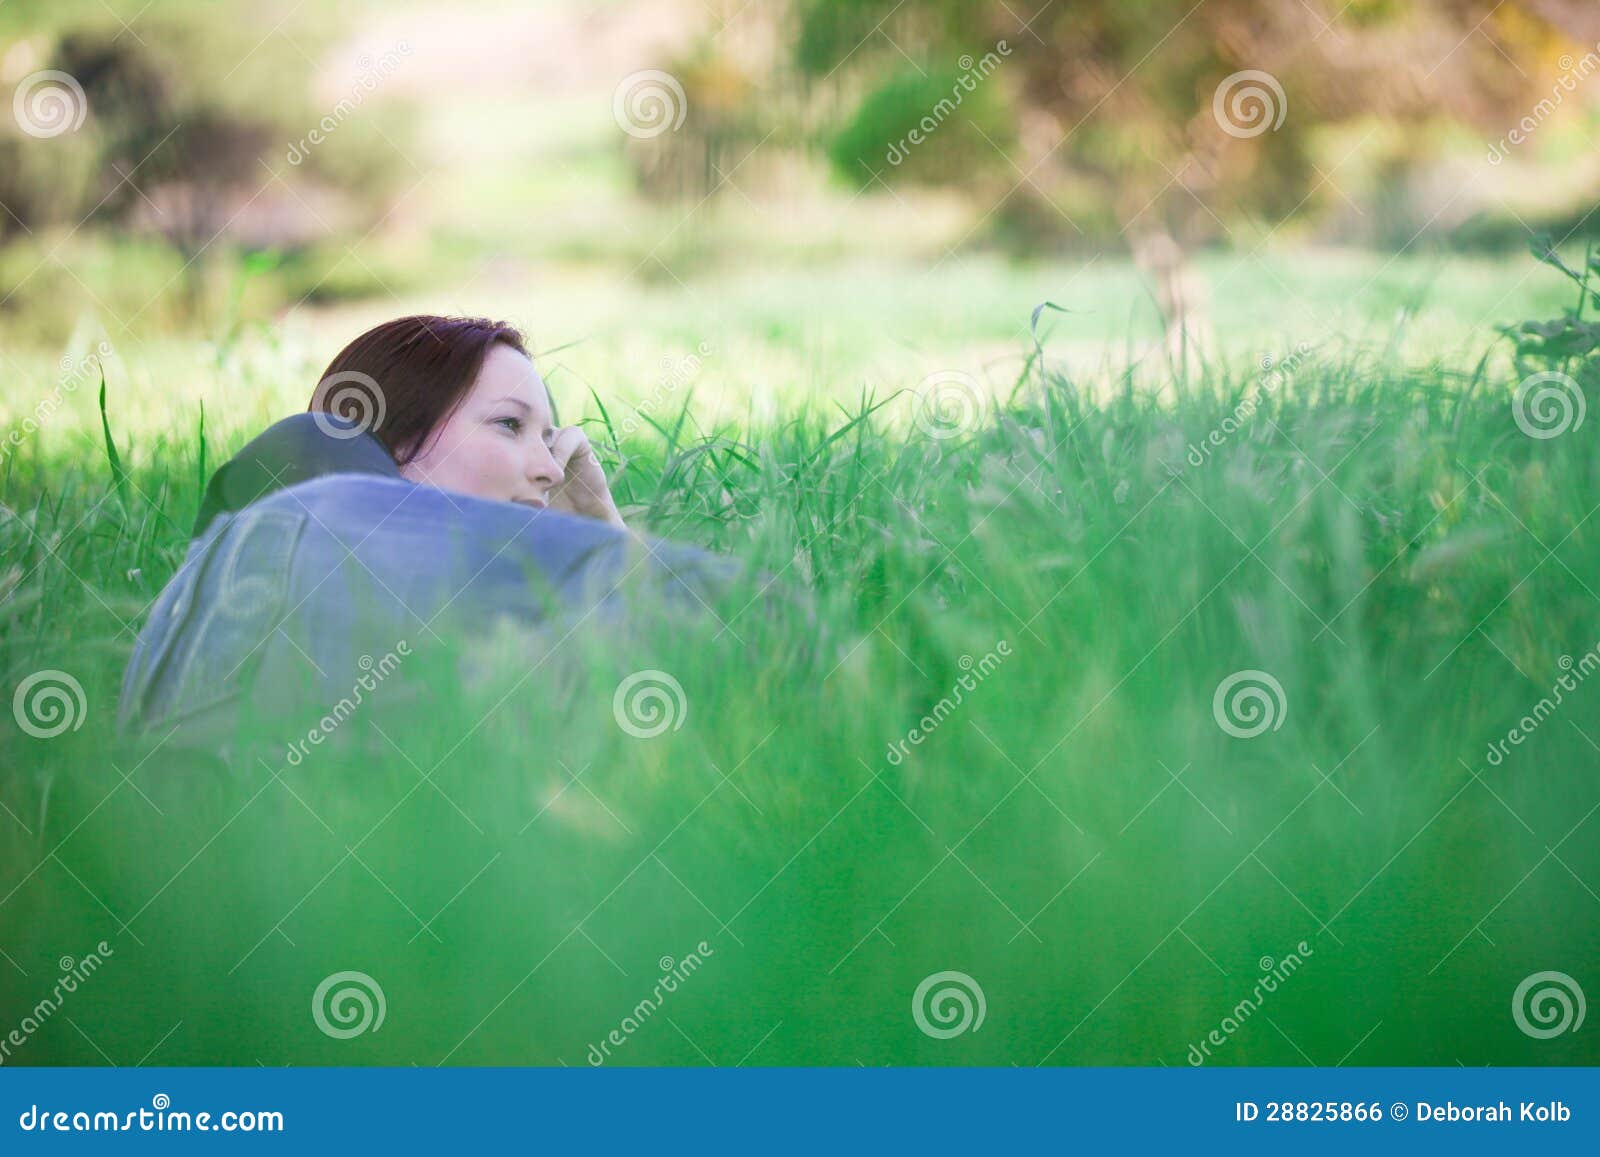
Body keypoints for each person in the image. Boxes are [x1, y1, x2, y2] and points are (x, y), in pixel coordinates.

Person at [117, 315, 747, 763]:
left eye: (549, 441)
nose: (553, 469)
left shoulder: (469, 637)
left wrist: (601, 530)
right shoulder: (304, 462)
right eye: (509, 424)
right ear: (386, 441)